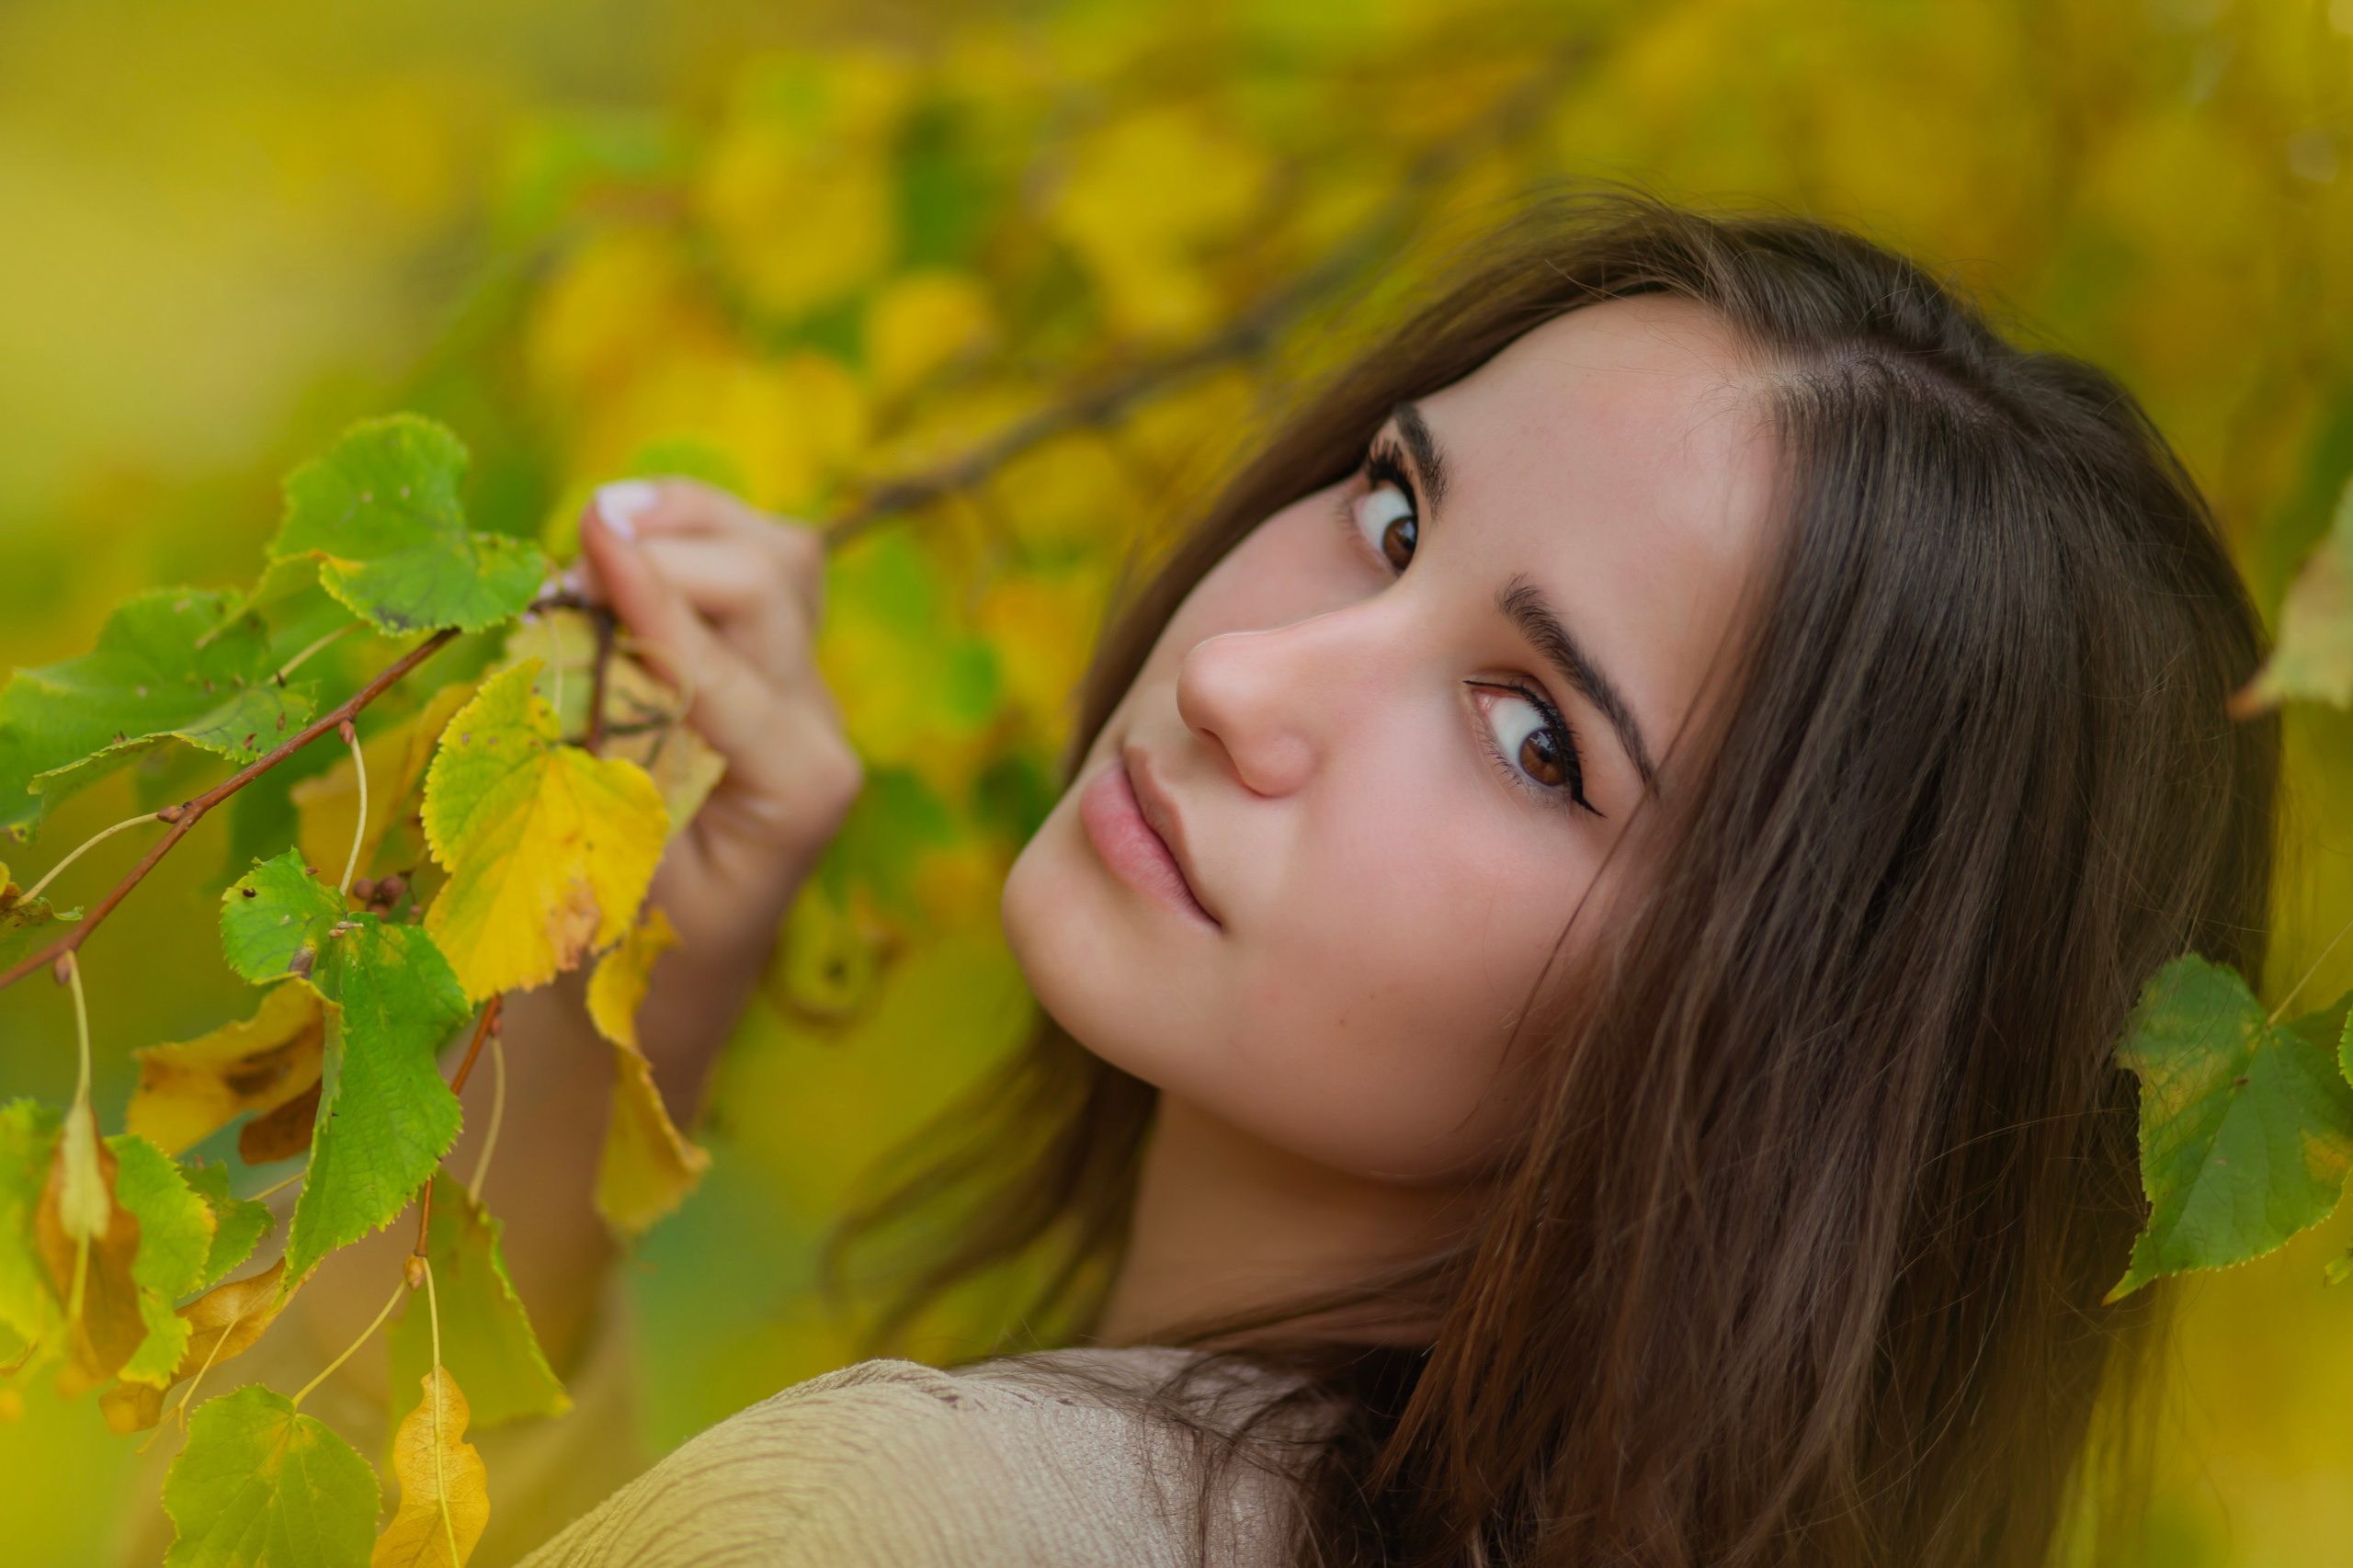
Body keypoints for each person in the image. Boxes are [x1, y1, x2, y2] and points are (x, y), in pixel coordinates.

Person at [321, 197, 2273, 1568]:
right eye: (1388, 509)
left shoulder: (918, 1522)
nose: (1240, 676)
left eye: (1535, 740)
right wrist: (603, 1013)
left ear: (1793, 1077)